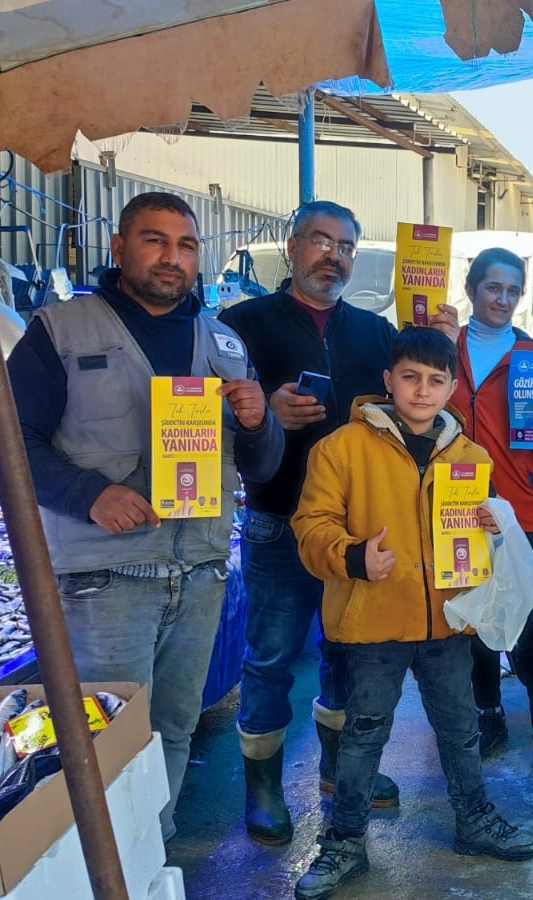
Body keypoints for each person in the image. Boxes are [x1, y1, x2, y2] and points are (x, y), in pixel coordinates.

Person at [6, 191, 284, 840]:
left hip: (201, 574)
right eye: (155, 240)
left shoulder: (223, 341)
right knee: (99, 741)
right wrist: (88, 494)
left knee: (173, 732)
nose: (172, 257)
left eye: (186, 245)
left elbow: (263, 466)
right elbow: (10, 444)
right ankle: (93, 872)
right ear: (119, 247)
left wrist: (259, 421)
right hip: (103, 580)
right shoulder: (61, 331)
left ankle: (149, 857)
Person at [219, 201, 455, 844]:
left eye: (345, 246)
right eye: (321, 242)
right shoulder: (241, 324)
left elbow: (417, 403)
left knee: (346, 654)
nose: (334, 256)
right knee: (271, 658)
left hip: (358, 534)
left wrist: (444, 341)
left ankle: (337, 768)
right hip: (277, 518)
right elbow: (198, 415)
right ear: (292, 246)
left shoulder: (374, 332)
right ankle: (263, 786)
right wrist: (261, 414)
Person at [291, 328, 533, 900]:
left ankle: (474, 819)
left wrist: (491, 524)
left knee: (460, 729)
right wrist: (353, 556)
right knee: (363, 734)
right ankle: (346, 840)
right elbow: (311, 526)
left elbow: (478, 534)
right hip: (374, 620)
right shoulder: (341, 449)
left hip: (447, 620)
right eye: (410, 377)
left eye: (435, 380)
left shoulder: (471, 456)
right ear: (389, 380)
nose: (422, 391)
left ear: (452, 388)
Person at [449, 247, 533, 783]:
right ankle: (489, 715)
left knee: (529, 625)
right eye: (493, 288)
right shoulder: (446, 350)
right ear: (471, 289)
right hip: (458, 508)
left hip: (525, 510)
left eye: (512, 291)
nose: (503, 299)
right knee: (475, 619)